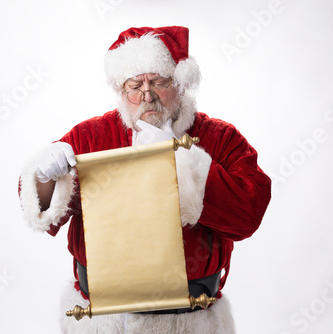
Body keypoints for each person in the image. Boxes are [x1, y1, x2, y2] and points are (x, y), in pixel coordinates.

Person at [19, 26, 271, 334]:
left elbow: (248, 214)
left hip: (191, 322)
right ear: (121, 91)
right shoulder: (90, 137)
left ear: (179, 83)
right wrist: (44, 176)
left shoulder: (220, 138)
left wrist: (180, 163)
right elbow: (46, 215)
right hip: (103, 321)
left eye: (158, 82)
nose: (146, 95)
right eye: (134, 85)